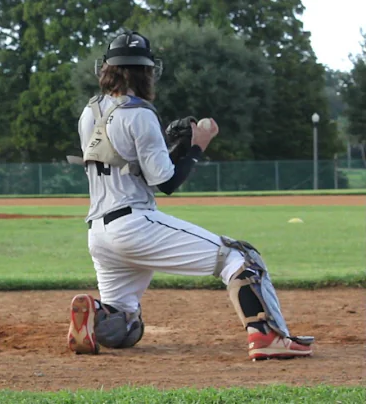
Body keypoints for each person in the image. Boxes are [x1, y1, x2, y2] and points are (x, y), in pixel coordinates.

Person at [66, 31, 314, 361]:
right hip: (134, 224)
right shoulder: (141, 112)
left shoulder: (90, 112)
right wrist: (197, 145)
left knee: (126, 324)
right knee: (240, 257)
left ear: (105, 69)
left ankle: (98, 313)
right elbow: (165, 181)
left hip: (99, 233)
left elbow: (129, 161)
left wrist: (172, 144)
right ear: (146, 71)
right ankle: (267, 336)